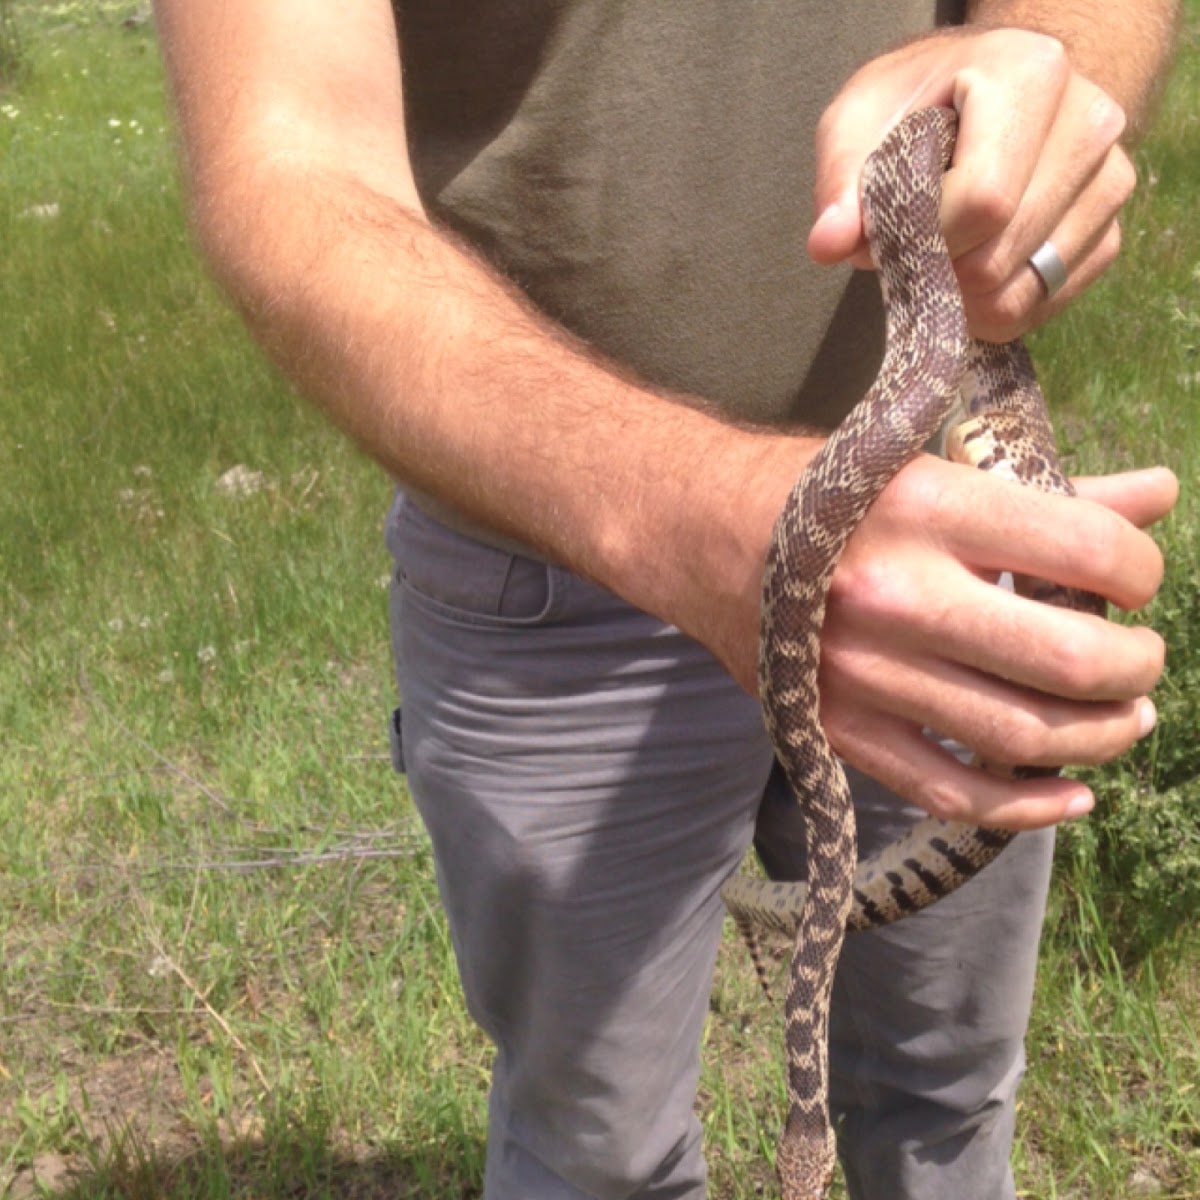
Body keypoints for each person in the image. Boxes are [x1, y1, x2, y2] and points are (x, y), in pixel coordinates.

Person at [153, 2, 1180, 1197]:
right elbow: (282, 163)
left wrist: (1043, 70)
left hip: (947, 529)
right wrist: (700, 520)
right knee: (598, 1162)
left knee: (947, 1095)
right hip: (549, 564)